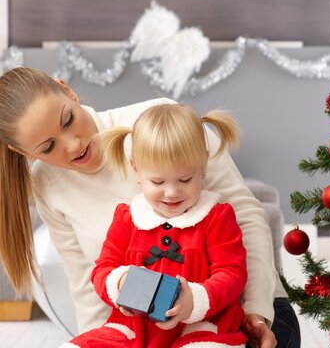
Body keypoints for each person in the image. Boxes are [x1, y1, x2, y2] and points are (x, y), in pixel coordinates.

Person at [0, 67, 300, 347]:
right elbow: (86, 283)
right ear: (22, 152)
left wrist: (256, 311)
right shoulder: (47, 183)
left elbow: (246, 216)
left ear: (68, 91)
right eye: (48, 147)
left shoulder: (158, 120)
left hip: (239, 311)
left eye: (68, 120)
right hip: (143, 333)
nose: (73, 144)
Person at [63, 103, 247, 347]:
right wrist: (119, 282)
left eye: (185, 179)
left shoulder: (215, 217)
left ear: (202, 166)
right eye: (157, 181)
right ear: (137, 171)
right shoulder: (128, 218)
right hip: (131, 330)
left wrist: (194, 300)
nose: (171, 193)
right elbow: (103, 268)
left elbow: (232, 274)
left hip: (200, 328)